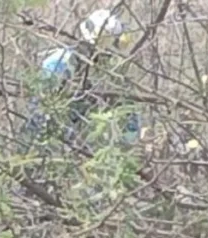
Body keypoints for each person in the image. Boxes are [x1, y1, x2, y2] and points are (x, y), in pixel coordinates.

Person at [22, 9, 140, 154]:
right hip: (51, 144)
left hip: (89, 150)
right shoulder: (60, 62)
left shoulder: (111, 75)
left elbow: (129, 114)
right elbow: (39, 107)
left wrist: (130, 145)